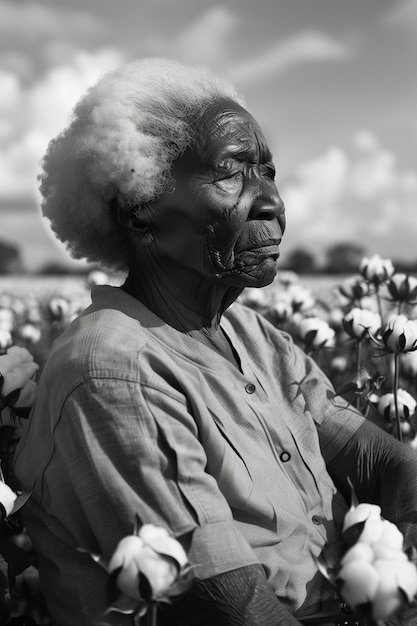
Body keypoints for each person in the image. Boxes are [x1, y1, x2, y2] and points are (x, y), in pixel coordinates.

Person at [14, 58, 417, 626]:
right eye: (232, 173)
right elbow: (232, 606)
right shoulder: (114, 371)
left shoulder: (253, 335)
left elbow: (381, 457)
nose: (273, 202)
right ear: (140, 210)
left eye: (268, 172)